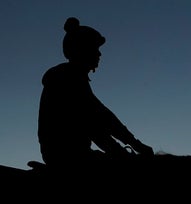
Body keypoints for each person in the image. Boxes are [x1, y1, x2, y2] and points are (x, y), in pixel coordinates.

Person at [38, 17, 154, 171]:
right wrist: (121, 152)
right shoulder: (66, 78)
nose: (99, 54)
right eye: (95, 48)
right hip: (68, 157)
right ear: (82, 49)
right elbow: (90, 124)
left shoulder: (74, 78)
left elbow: (104, 116)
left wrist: (135, 144)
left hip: (73, 154)